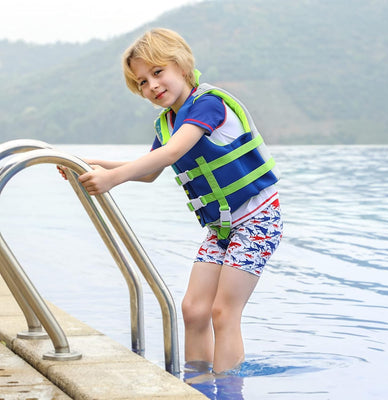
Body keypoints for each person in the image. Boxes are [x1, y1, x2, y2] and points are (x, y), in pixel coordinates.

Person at [58, 28, 283, 375]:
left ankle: (227, 391)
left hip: (257, 219)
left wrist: (111, 179)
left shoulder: (208, 104)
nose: (152, 86)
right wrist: (89, 165)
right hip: (222, 226)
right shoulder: (168, 123)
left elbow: (174, 152)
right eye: (142, 82)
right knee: (193, 309)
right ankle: (197, 385)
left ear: (181, 65)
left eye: (157, 72)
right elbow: (149, 171)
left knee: (224, 312)